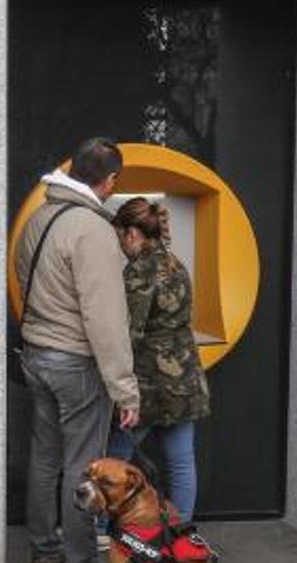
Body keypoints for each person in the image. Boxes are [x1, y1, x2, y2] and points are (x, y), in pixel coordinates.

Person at [15, 137, 140, 563]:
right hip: (75, 362)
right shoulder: (91, 230)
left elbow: (27, 280)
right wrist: (125, 389)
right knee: (84, 467)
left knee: (45, 458)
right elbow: (105, 317)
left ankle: (45, 558)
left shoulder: (41, 217)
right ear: (109, 181)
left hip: (37, 353)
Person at [107, 197, 210, 519]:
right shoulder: (175, 263)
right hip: (184, 377)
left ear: (132, 234)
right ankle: (181, 532)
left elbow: (130, 333)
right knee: (180, 461)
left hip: (149, 382)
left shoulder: (140, 271)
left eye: (119, 236)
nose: (120, 244)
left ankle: (97, 527)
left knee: (116, 458)